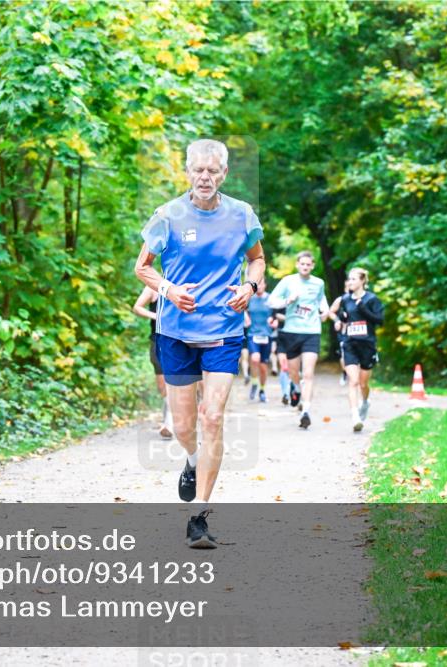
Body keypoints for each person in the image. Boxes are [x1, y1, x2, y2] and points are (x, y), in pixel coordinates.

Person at [134, 139, 264, 548]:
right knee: (185, 425)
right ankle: (191, 460)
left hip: (224, 329)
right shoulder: (166, 215)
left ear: (224, 173)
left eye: (213, 170)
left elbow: (257, 258)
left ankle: (199, 516)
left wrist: (250, 284)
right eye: (198, 170)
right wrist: (169, 290)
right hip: (175, 331)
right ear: (187, 172)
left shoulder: (242, 215)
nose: (205, 177)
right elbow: (142, 268)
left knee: (213, 417)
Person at [267, 251, 330, 430]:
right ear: (297, 265)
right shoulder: (288, 281)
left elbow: (321, 300)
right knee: (294, 372)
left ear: (312, 266)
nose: (305, 267)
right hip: (291, 332)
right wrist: (288, 300)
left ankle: (306, 412)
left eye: (308, 264)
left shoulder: (318, 283)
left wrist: (324, 311)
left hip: (311, 331)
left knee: (308, 373)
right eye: (302, 264)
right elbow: (272, 301)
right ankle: (295, 387)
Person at [333, 267, 385, 431]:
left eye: (354, 279)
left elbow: (379, 320)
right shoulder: (345, 299)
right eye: (349, 279)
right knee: (353, 381)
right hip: (350, 344)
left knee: (363, 383)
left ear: (363, 281)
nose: (350, 282)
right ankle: (355, 416)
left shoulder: (372, 299)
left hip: (367, 345)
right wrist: (340, 320)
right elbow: (342, 315)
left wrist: (364, 309)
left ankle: (365, 402)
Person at [132, 286, 173, 438]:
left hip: (178, 340)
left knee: (172, 384)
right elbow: (137, 307)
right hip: (157, 340)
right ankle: (172, 417)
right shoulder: (153, 287)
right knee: (162, 385)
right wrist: (157, 316)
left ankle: (169, 422)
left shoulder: (185, 282)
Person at [244, 276, 271, 402]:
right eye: (257, 285)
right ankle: (254, 382)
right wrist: (246, 317)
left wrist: (275, 320)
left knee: (263, 367)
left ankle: (262, 389)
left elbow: (278, 313)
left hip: (267, 335)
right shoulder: (250, 299)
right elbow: (242, 309)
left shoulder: (270, 299)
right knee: (255, 359)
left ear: (265, 285)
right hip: (253, 334)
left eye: (262, 284)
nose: (259, 287)